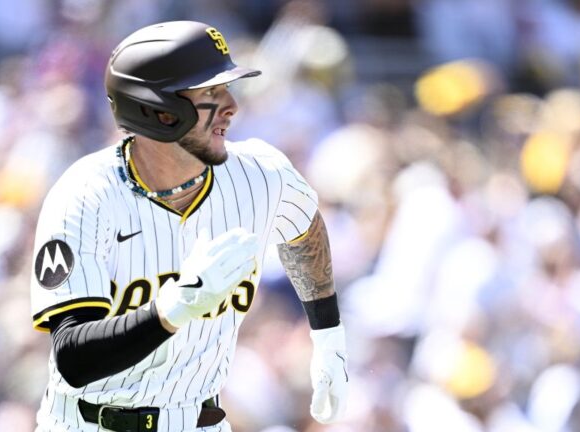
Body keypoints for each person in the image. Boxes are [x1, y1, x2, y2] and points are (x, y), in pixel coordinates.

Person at [30, 20, 349, 432]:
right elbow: (74, 358)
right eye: (211, 93)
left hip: (201, 421)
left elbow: (304, 227)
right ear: (158, 110)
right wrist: (176, 304)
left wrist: (328, 335)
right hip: (93, 423)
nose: (232, 106)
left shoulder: (261, 173)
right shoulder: (86, 194)